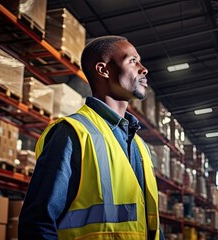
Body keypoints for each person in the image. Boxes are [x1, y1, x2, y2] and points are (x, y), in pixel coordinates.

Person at [19, 36, 164, 240]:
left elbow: (151, 224)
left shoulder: (140, 146)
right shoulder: (73, 132)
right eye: (132, 60)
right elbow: (37, 223)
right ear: (103, 70)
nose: (143, 68)